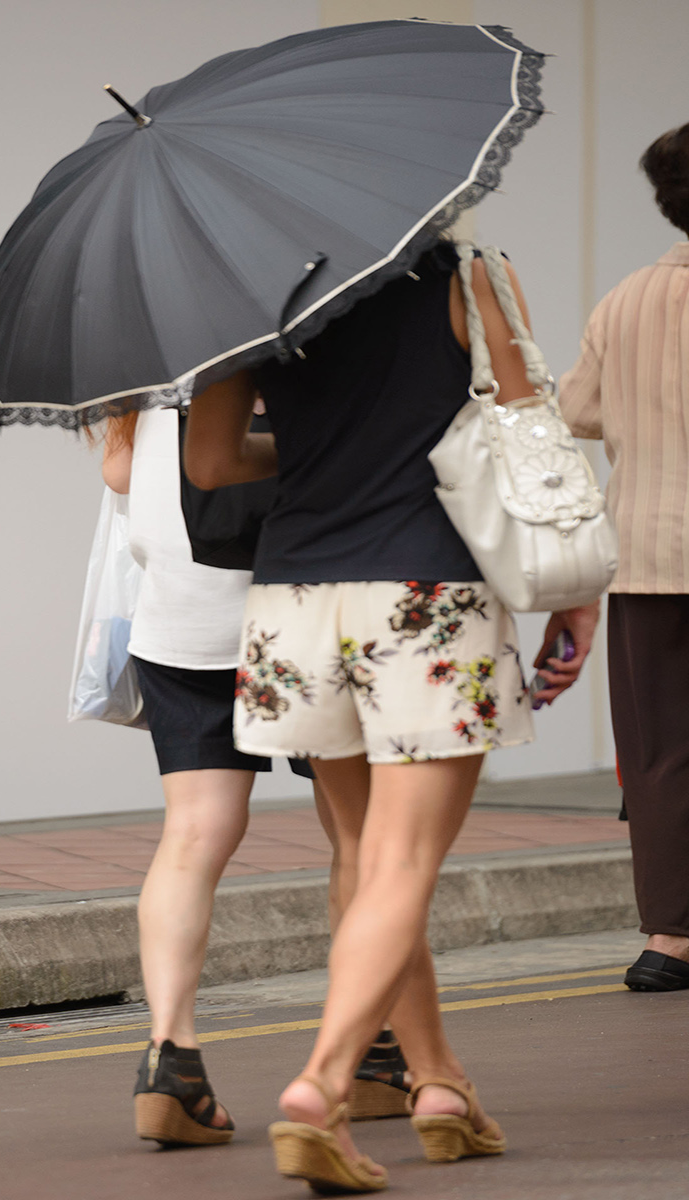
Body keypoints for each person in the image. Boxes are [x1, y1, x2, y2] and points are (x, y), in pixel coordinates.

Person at [186, 240, 597, 1192]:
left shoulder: (240, 295)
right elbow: (528, 423)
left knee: (371, 858)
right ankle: (323, 1084)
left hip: (293, 603)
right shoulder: (465, 270)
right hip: (428, 590)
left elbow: (210, 463)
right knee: (405, 864)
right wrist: (579, 586)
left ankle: (440, 1082)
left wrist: (323, 438)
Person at [101, 407, 340, 1148]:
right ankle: (371, 1053)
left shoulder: (156, 332)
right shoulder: (296, 322)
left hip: (180, 612)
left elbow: (118, 472)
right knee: (360, 836)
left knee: (194, 830)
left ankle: (171, 1057)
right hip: (300, 602)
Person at [561, 122, 689, 993]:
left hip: (646, 554)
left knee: (659, 751)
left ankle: (670, 939)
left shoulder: (627, 298)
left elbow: (576, 411)